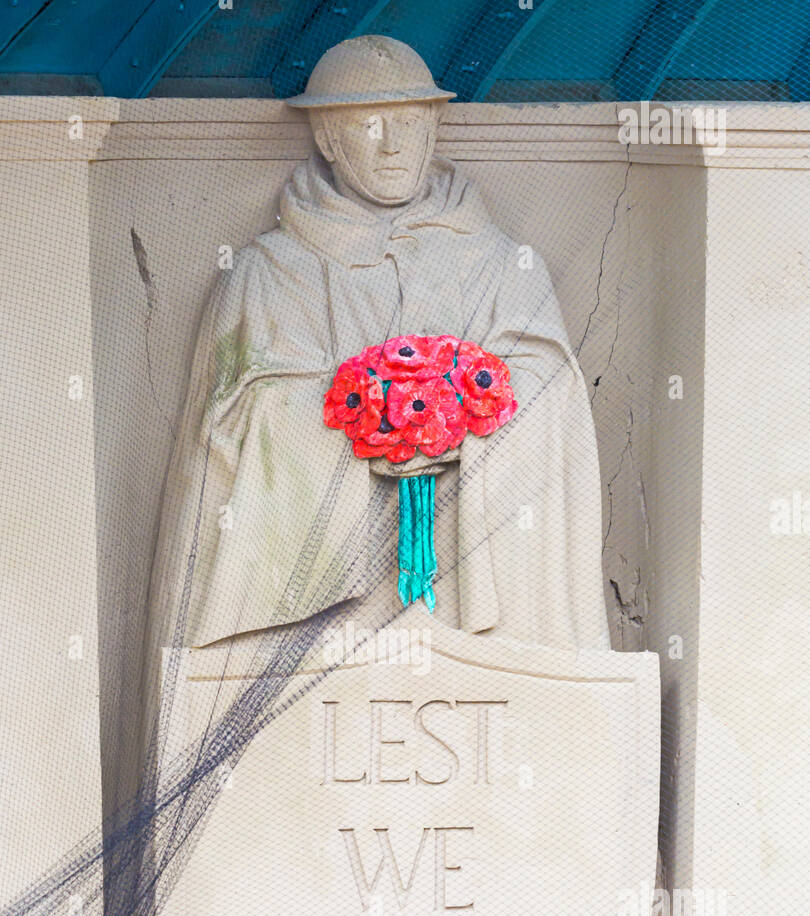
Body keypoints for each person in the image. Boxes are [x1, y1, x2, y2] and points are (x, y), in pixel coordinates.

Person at [151, 34, 610, 655]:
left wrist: (454, 414)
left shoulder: (503, 262)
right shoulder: (266, 270)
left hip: (467, 572)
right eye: (369, 124)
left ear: (434, 129)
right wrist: (368, 416)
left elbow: (551, 387)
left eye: (410, 123)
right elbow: (235, 417)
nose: (393, 145)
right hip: (327, 606)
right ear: (327, 140)